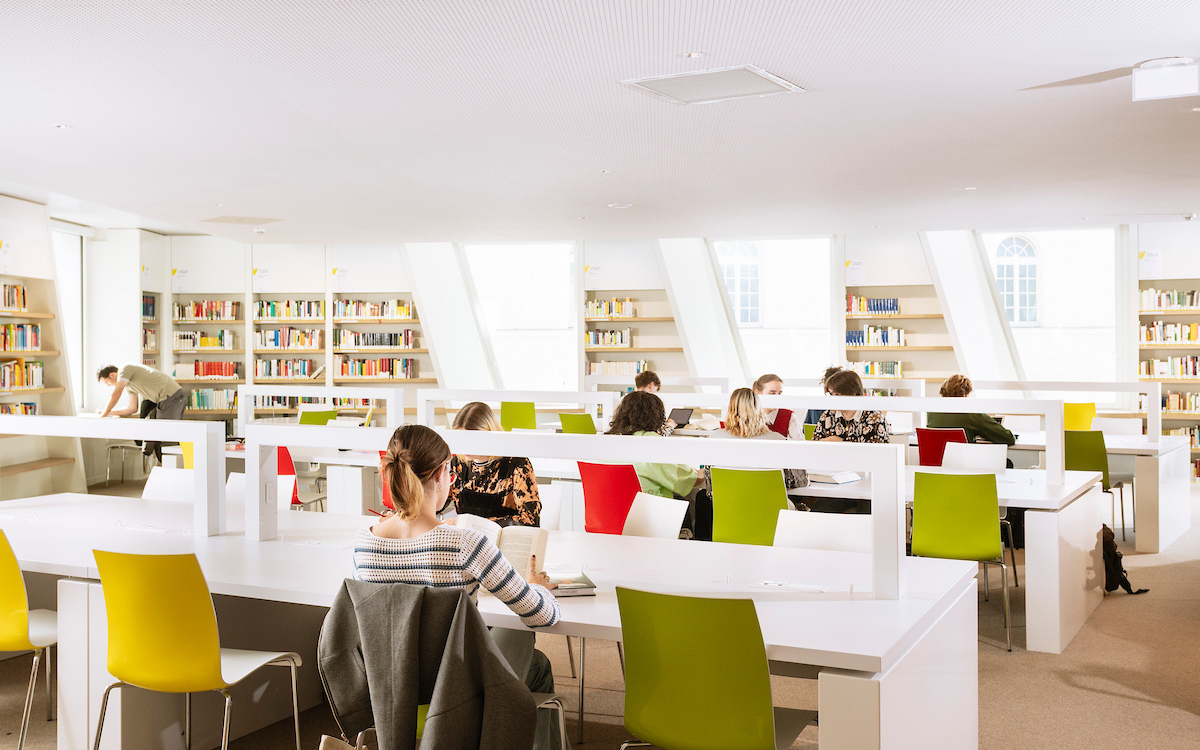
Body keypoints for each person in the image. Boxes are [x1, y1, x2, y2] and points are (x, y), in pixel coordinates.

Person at [353, 424, 563, 748]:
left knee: (539, 667)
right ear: (440, 475)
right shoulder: (465, 543)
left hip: (394, 690)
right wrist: (535, 586)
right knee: (525, 636)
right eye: (450, 472)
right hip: (458, 693)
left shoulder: (364, 543)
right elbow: (541, 615)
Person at [443, 402, 541, 526]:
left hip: (504, 542)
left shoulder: (517, 464)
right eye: (460, 439)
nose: (464, 447)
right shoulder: (458, 464)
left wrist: (470, 523)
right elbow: (438, 504)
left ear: (489, 434)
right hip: (468, 541)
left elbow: (530, 520)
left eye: (471, 440)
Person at [605, 390, 704, 499]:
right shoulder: (652, 442)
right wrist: (707, 470)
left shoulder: (609, 439)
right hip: (646, 510)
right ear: (655, 415)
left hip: (610, 509)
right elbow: (689, 480)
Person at [97, 364, 188, 460]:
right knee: (163, 437)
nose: (108, 385)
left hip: (170, 395)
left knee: (166, 437)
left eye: (107, 382)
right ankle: (167, 468)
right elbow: (132, 408)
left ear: (111, 375)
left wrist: (103, 414)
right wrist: (109, 412)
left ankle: (170, 470)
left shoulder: (125, 369)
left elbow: (116, 394)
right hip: (166, 398)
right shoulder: (129, 386)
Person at [927, 375, 1016, 445]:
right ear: (966, 394)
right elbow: (1008, 439)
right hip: (965, 463)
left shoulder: (932, 412)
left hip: (937, 463)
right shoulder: (971, 413)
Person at [812, 367, 891, 443]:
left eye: (836, 394)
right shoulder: (828, 416)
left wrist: (843, 443)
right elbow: (814, 446)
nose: (833, 399)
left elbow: (878, 453)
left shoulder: (874, 417)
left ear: (852, 393)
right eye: (831, 394)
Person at [751, 373, 805, 438]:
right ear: (758, 393)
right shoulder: (748, 415)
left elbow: (799, 445)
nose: (777, 397)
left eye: (779, 393)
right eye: (772, 393)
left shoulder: (789, 416)